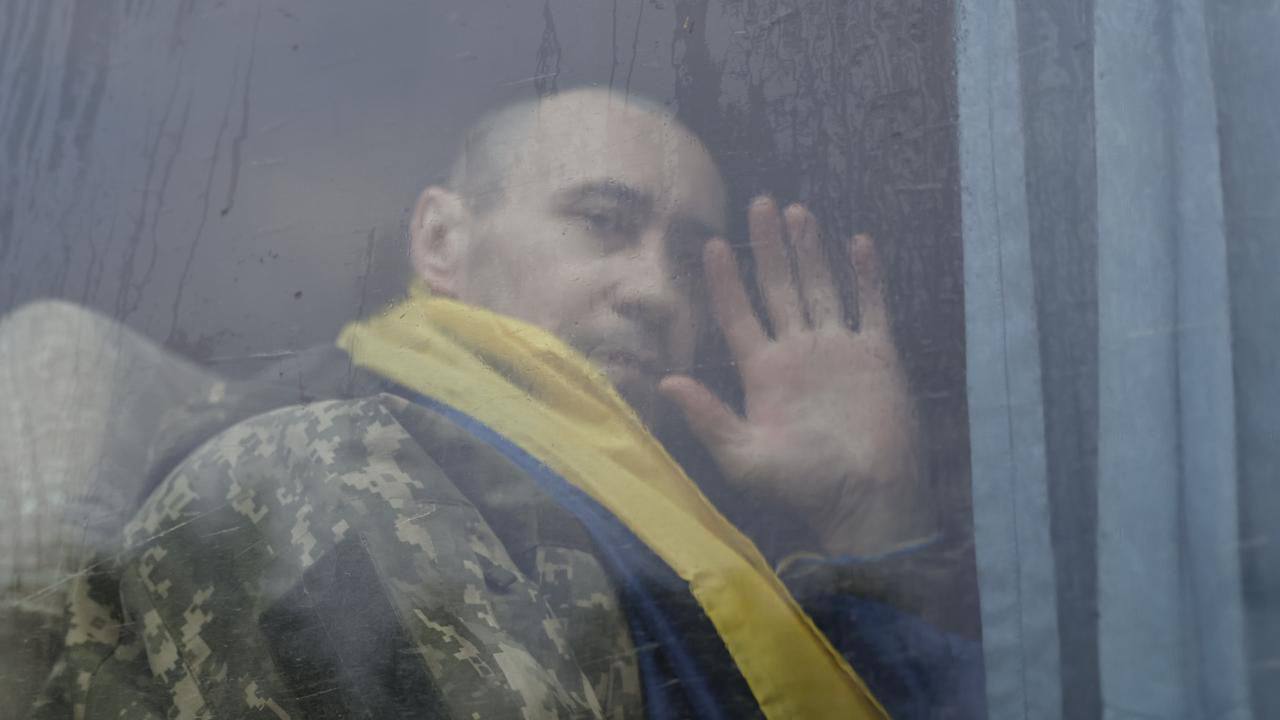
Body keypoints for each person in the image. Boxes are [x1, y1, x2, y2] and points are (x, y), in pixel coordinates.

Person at [30, 88, 980, 719]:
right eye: (603, 222)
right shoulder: (316, 470)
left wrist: (871, 523)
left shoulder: (659, 535)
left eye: (690, 258)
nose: (658, 291)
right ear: (442, 239)